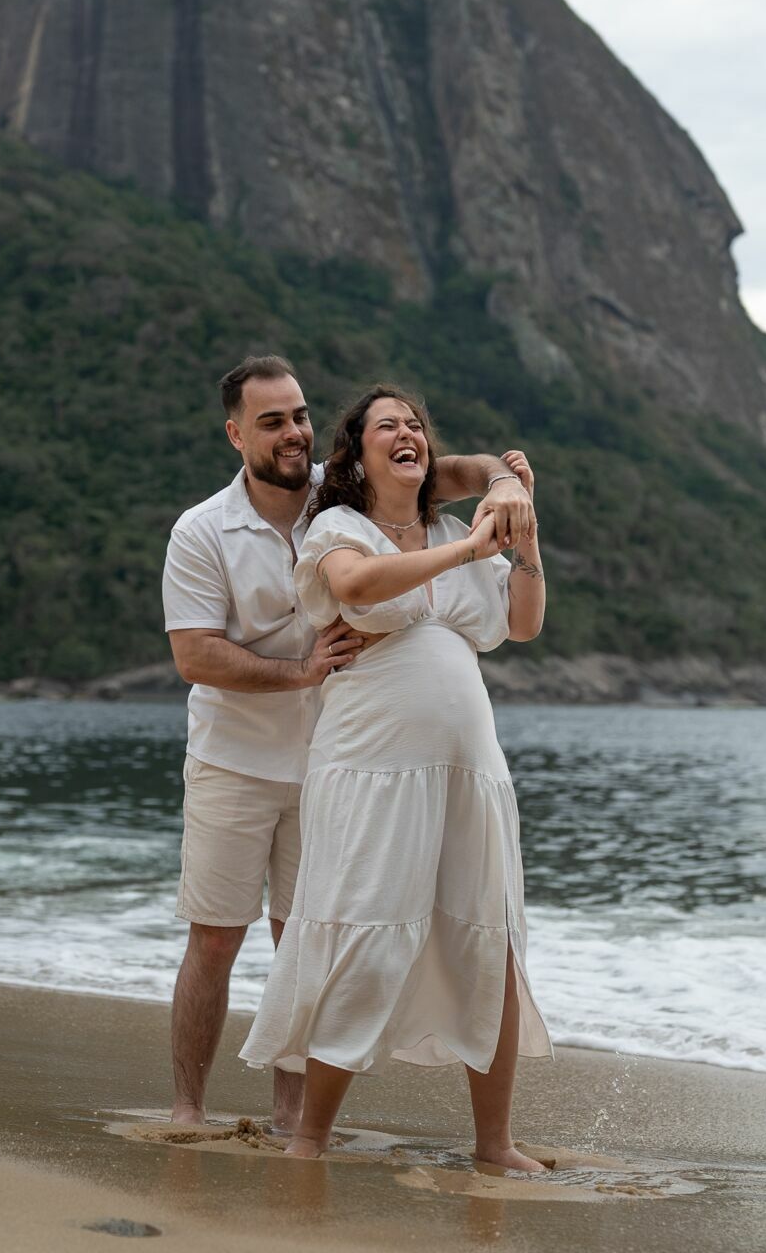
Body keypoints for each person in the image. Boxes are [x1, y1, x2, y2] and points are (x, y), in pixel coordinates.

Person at [162, 356, 537, 1132]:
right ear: (235, 434)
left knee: (308, 935)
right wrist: (301, 671)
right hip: (238, 756)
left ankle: (290, 1118)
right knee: (217, 936)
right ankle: (188, 1108)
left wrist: (506, 483)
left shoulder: (343, 487)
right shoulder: (205, 530)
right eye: (271, 422)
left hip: (340, 759)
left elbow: (454, 469)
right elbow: (195, 655)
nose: (292, 433)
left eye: (300, 416)